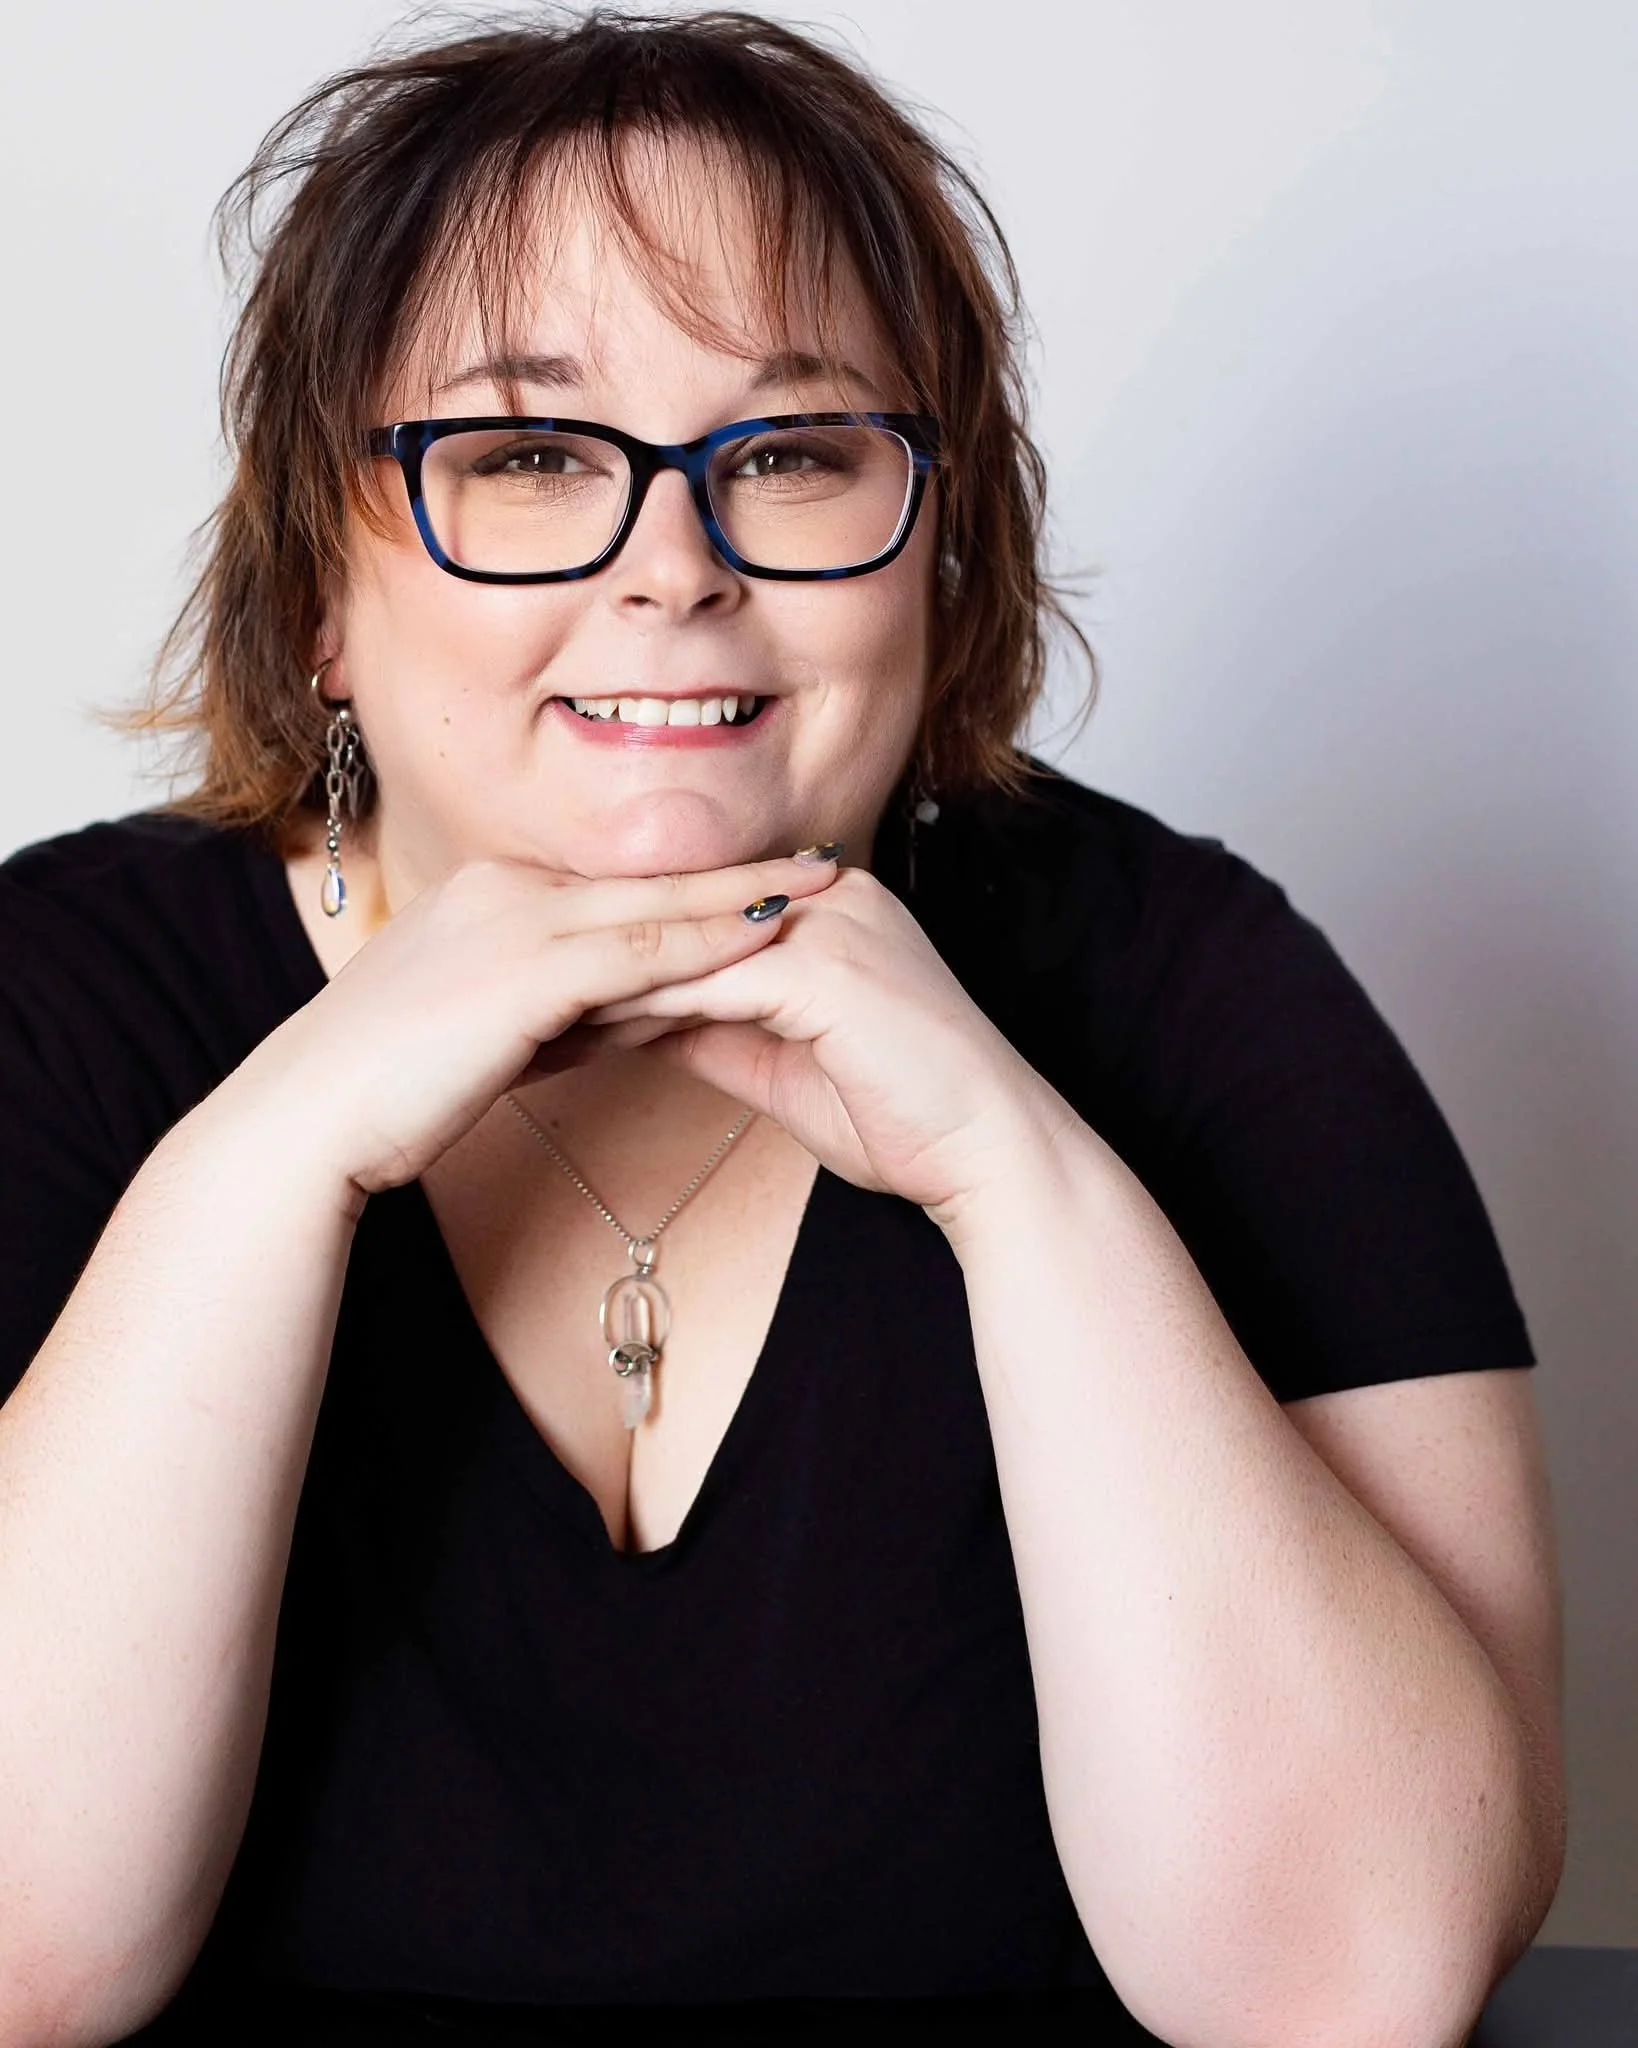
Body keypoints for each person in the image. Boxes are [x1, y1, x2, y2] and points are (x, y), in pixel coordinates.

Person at [0, 10, 1565, 2047]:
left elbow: (1349, 1983)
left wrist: (1015, 1172)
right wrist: (275, 1150)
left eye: (793, 454)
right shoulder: (52, 1000)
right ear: (316, 593)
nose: (676, 569)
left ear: (938, 553)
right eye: (528, 456)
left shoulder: (1197, 980)